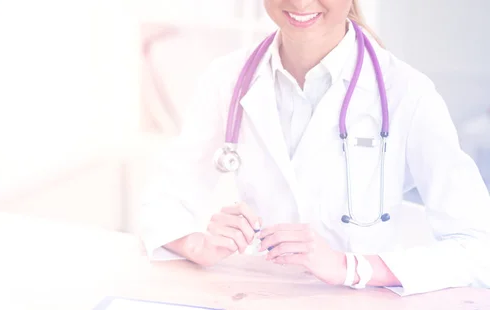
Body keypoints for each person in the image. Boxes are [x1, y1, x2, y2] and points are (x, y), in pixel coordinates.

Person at [138, 0, 490, 296]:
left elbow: (479, 249)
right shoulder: (227, 79)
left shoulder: (408, 95)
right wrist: (198, 245)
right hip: (259, 297)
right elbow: (164, 200)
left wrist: (350, 267)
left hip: (359, 302)